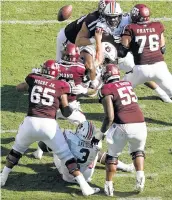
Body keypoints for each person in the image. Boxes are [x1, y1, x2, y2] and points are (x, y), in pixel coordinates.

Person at [0, 60, 100, 196]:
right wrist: (72, 110)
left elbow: (19, 88)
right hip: (49, 125)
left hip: (31, 122)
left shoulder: (33, 78)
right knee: (66, 156)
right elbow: (65, 111)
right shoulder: (60, 85)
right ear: (56, 73)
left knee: (17, 150)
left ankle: (3, 177)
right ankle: (85, 187)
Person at [92, 64, 147, 195]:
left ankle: (109, 185)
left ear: (106, 75)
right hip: (140, 124)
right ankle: (140, 177)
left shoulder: (106, 89)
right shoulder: (127, 84)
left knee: (112, 156)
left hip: (122, 126)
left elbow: (109, 117)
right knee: (137, 151)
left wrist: (100, 134)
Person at [38, 121, 135, 183]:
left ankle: (38, 153)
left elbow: (43, 146)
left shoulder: (68, 135)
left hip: (68, 176)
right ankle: (125, 167)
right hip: (86, 176)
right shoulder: (97, 144)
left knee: (59, 147)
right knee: (96, 153)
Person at [118, 4, 172, 102]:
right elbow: (162, 49)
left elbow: (122, 52)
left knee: (120, 91)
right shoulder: (158, 25)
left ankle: (119, 114)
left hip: (140, 69)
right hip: (160, 67)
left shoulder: (130, 28)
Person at [57, 0, 114, 82]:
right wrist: (95, 39)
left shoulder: (107, 20)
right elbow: (78, 42)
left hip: (84, 42)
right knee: (62, 69)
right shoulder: (93, 21)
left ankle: (88, 81)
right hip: (69, 39)